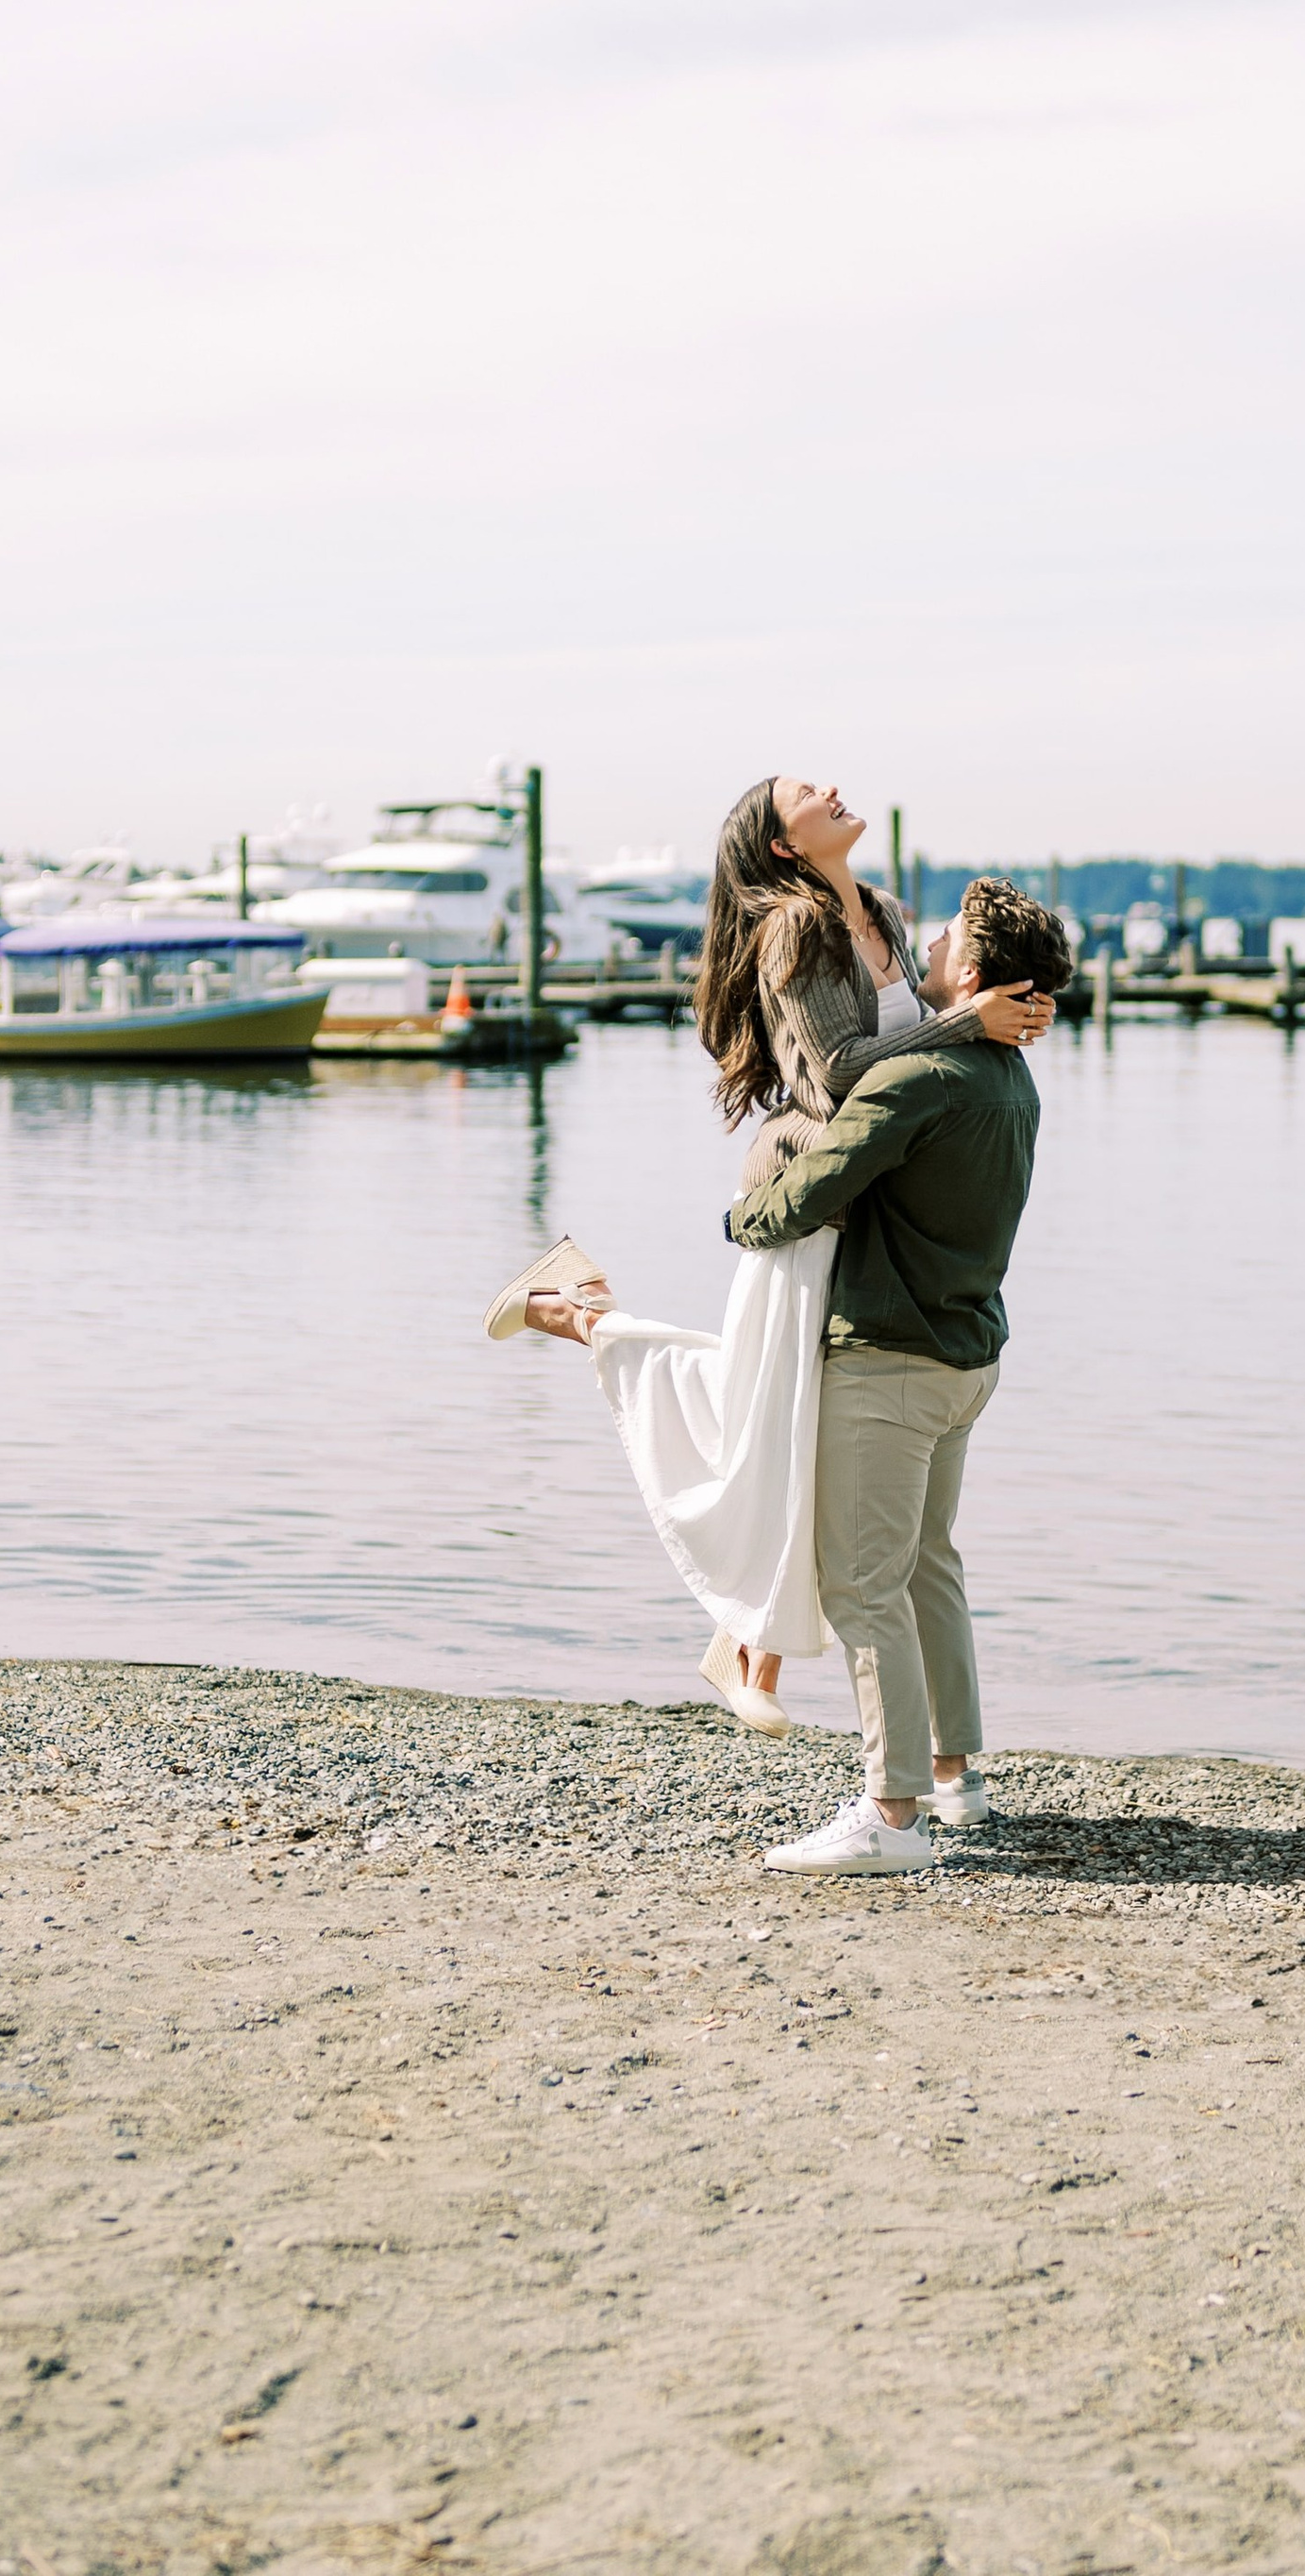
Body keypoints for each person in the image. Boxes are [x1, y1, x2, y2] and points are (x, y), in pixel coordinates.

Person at [481, 779, 1052, 1743]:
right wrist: (969, 1026)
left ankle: (747, 1650)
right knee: (769, 1411)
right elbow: (837, 1079)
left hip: (863, 1197)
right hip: (806, 1191)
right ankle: (580, 1314)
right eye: (802, 794)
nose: (830, 790)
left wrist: (992, 1027)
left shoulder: (885, 915)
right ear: (782, 846)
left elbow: (915, 1071)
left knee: (785, 1414)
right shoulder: (795, 929)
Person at [725, 871, 1075, 1875]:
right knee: (926, 1565)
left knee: (864, 1587)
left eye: (938, 948)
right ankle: (955, 1780)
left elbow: (808, 1194)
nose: (919, 956)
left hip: (890, 1360)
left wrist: (735, 1220)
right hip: (965, 1355)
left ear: (968, 971)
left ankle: (891, 1817)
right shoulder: (1009, 1076)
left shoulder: (917, 1078)